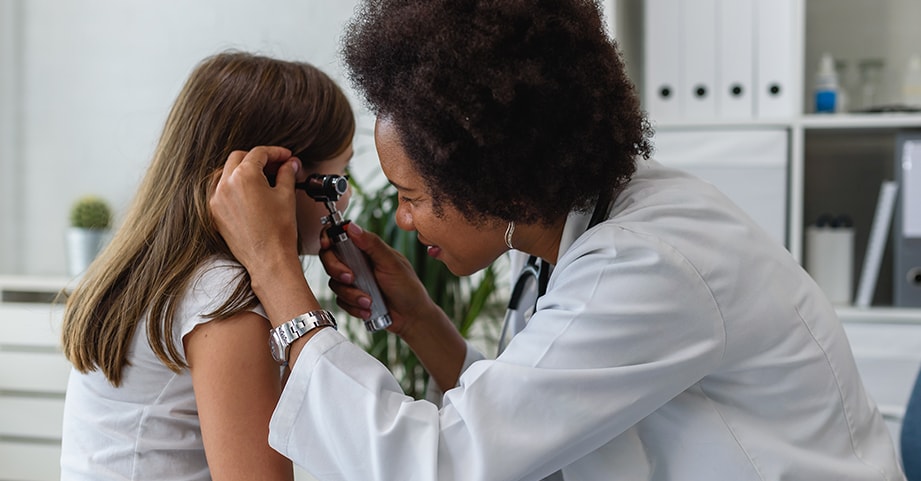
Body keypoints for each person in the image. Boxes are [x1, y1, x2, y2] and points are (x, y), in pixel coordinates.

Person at [208, 1, 907, 480]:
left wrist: (276, 271)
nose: (405, 219)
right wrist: (419, 317)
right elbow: (529, 414)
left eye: (413, 195)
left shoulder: (649, 262)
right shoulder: (590, 223)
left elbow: (444, 461)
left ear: (497, 185)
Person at [59, 50, 355, 481]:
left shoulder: (159, 273)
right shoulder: (221, 295)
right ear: (276, 178)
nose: (344, 202)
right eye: (339, 178)